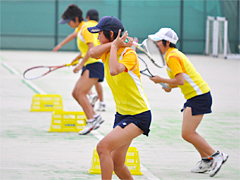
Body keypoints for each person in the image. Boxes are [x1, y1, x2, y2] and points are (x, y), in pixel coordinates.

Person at [148, 28, 229, 177]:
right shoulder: (171, 55)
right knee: (189, 132)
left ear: (167, 42)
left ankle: (216, 155)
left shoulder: (172, 56)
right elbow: (178, 81)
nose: (156, 44)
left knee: (187, 133)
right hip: (194, 96)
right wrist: (168, 86)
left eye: (158, 41)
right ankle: (206, 160)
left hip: (199, 96)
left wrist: (162, 80)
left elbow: (180, 80)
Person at [87, 16, 152, 180]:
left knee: (103, 148)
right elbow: (91, 52)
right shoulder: (108, 51)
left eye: (99, 33)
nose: (97, 37)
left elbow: (114, 70)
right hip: (122, 114)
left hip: (138, 114)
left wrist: (117, 46)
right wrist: (114, 44)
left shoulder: (129, 54)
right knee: (117, 164)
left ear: (109, 33)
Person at [57, 4, 104, 135]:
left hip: (94, 64)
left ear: (76, 19)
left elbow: (92, 47)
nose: (68, 24)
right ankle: (95, 117)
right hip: (89, 64)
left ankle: (91, 121)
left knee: (81, 93)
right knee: (75, 93)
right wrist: (77, 59)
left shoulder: (84, 30)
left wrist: (80, 64)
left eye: (69, 22)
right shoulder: (81, 29)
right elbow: (86, 50)